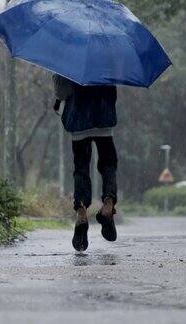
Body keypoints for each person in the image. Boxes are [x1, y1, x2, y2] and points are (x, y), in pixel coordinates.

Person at [53, 74, 118, 252]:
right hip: (104, 117)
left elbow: (61, 92)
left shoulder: (69, 53)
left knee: (81, 169)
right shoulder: (108, 55)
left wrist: (59, 96)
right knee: (108, 164)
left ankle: (81, 212)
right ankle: (108, 204)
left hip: (79, 118)